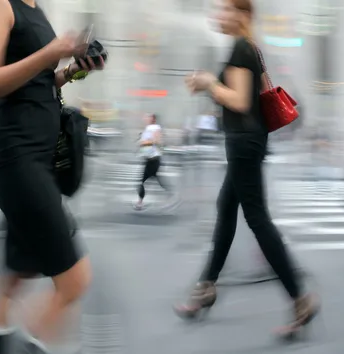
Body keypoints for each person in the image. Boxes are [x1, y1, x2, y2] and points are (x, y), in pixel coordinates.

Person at [173, 0, 318, 339]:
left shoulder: (241, 46)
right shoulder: (250, 46)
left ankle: (301, 298)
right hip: (247, 141)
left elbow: (238, 101)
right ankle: (206, 287)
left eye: (225, 9)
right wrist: (211, 87)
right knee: (226, 210)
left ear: (242, 15)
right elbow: (248, 99)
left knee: (257, 220)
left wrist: (209, 82)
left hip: (243, 143)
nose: (218, 14)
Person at [0, 0, 104, 353]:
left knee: (16, 273)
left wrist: (73, 70)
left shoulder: (34, 8)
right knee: (74, 280)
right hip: (14, 157)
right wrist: (49, 53)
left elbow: (40, 82)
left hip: (35, 158)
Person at [134, 113, 168, 210]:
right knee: (153, 181)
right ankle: (140, 202)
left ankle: (140, 203)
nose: (146, 119)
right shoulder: (149, 128)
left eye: (148, 117)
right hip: (150, 160)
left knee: (143, 182)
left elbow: (157, 141)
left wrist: (144, 142)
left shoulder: (155, 128)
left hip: (154, 160)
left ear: (153, 119)